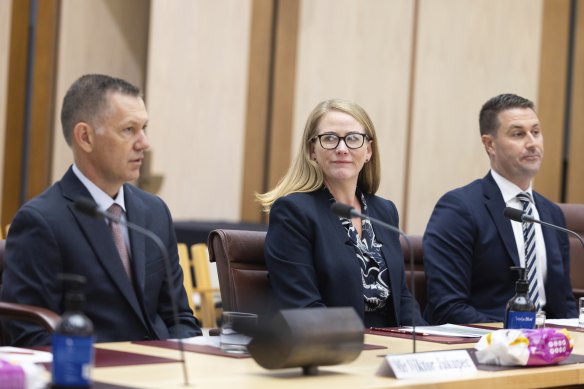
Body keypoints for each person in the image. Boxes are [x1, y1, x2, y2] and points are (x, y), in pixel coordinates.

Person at [1, 74, 202, 346]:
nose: (144, 143)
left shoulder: (154, 212)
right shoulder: (41, 221)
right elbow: (31, 335)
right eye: (129, 130)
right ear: (85, 137)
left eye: (144, 128)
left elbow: (179, 319)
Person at [257, 99, 425, 328]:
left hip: (391, 346)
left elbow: (402, 298)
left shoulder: (384, 211)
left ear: (368, 151)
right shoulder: (293, 212)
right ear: (312, 151)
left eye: (353, 138)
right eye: (329, 138)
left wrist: (426, 342)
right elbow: (303, 306)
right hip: (332, 347)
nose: (342, 148)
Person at [423, 93, 577, 324]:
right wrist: (514, 336)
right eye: (518, 134)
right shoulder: (459, 208)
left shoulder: (551, 214)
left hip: (547, 347)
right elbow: (448, 306)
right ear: (490, 144)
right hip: (483, 345)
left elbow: (563, 304)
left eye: (535, 132)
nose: (532, 143)